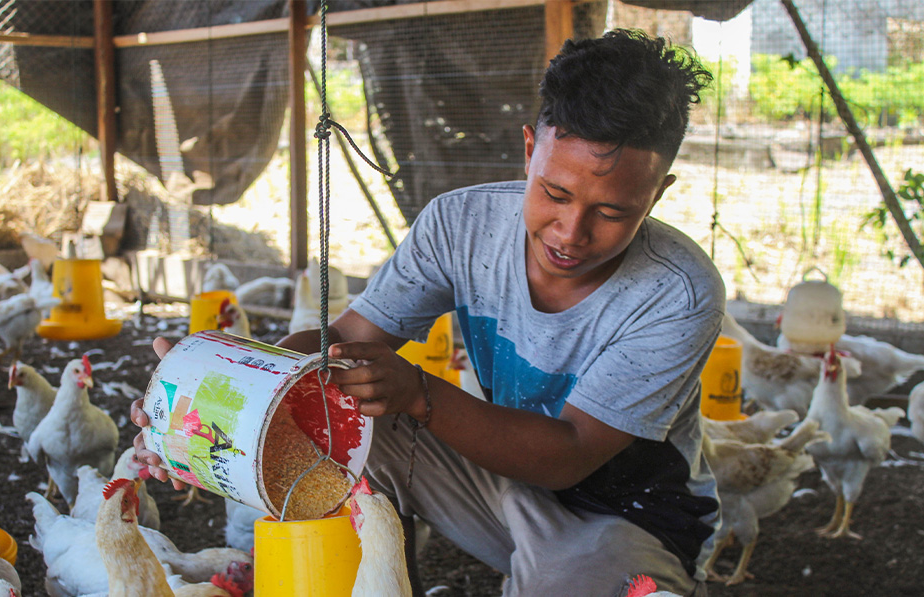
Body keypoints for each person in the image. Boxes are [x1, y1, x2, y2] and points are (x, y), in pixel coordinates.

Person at [132, 29, 721, 596]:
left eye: (613, 213)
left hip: (626, 518)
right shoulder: (459, 224)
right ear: (527, 150)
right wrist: (204, 396)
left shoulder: (678, 293)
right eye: (555, 193)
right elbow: (340, 342)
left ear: (659, 193)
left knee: (565, 582)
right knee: (343, 401)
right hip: (498, 482)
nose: (571, 232)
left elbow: (569, 454)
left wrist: (418, 393)